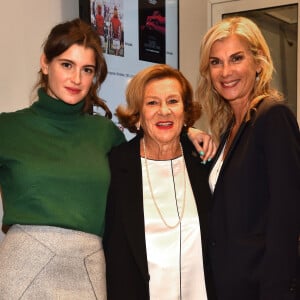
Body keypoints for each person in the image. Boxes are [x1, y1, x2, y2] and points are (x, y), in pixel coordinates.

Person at [0, 18, 126, 299]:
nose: (76, 79)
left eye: (87, 70)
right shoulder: (7, 129)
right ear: (46, 63)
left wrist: (186, 134)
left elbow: (147, 169)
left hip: (90, 267)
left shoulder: (105, 133)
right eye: (66, 65)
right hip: (24, 268)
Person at [190, 16, 300, 299]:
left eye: (236, 58)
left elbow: (287, 218)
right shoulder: (231, 129)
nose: (225, 72)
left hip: (262, 288)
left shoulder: (273, 117)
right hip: (228, 286)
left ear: (259, 62)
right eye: (216, 62)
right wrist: (185, 132)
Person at [103, 64, 216, 299]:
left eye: (173, 101)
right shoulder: (116, 166)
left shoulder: (203, 161)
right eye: (152, 102)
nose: (164, 111)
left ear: (185, 111)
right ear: (138, 114)